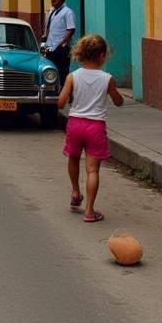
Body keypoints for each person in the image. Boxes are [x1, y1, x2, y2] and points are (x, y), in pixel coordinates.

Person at [58, 34, 123, 222]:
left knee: (73, 157)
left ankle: (76, 192)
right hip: (95, 126)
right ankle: (89, 211)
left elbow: (61, 103)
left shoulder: (73, 76)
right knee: (92, 170)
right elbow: (118, 101)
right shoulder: (107, 78)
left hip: (75, 123)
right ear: (102, 56)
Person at [42, 0, 76, 86]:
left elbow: (71, 29)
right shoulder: (53, 12)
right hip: (51, 47)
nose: (52, 0)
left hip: (61, 48)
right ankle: (53, 91)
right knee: (50, 71)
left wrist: (63, 43)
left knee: (62, 71)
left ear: (61, 0)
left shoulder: (67, 12)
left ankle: (65, 91)